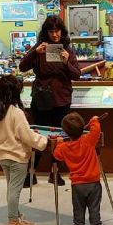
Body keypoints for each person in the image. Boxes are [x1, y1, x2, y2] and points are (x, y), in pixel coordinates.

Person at [19, 15, 82, 187]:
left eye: (57, 30)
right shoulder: (40, 48)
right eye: (51, 31)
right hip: (41, 99)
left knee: (59, 138)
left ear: (62, 31)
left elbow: (77, 75)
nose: (55, 35)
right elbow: (22, 67)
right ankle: (31, 172)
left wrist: (66, 61)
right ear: (46, 32)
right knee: (38, 136)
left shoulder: (67, 49)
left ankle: (55, 172)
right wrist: (35, 52)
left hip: (61, 99)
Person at [0, 75, 49, 225]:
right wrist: (43, 141)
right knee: (14, 190)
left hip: (3, 156)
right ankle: (13, 223)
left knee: (11, 188)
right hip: (17, 157)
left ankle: (15, 216)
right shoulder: (16, 113)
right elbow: (27, 136)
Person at [51, 112, 104, 225]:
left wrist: (59, 142)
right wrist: (94, 120)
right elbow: (96, 130)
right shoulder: (88, 141)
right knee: (94, 207)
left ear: (66, 132)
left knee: (78, 208)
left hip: (77, 184)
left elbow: (56, 155)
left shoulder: (64, 147)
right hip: (93, 182)